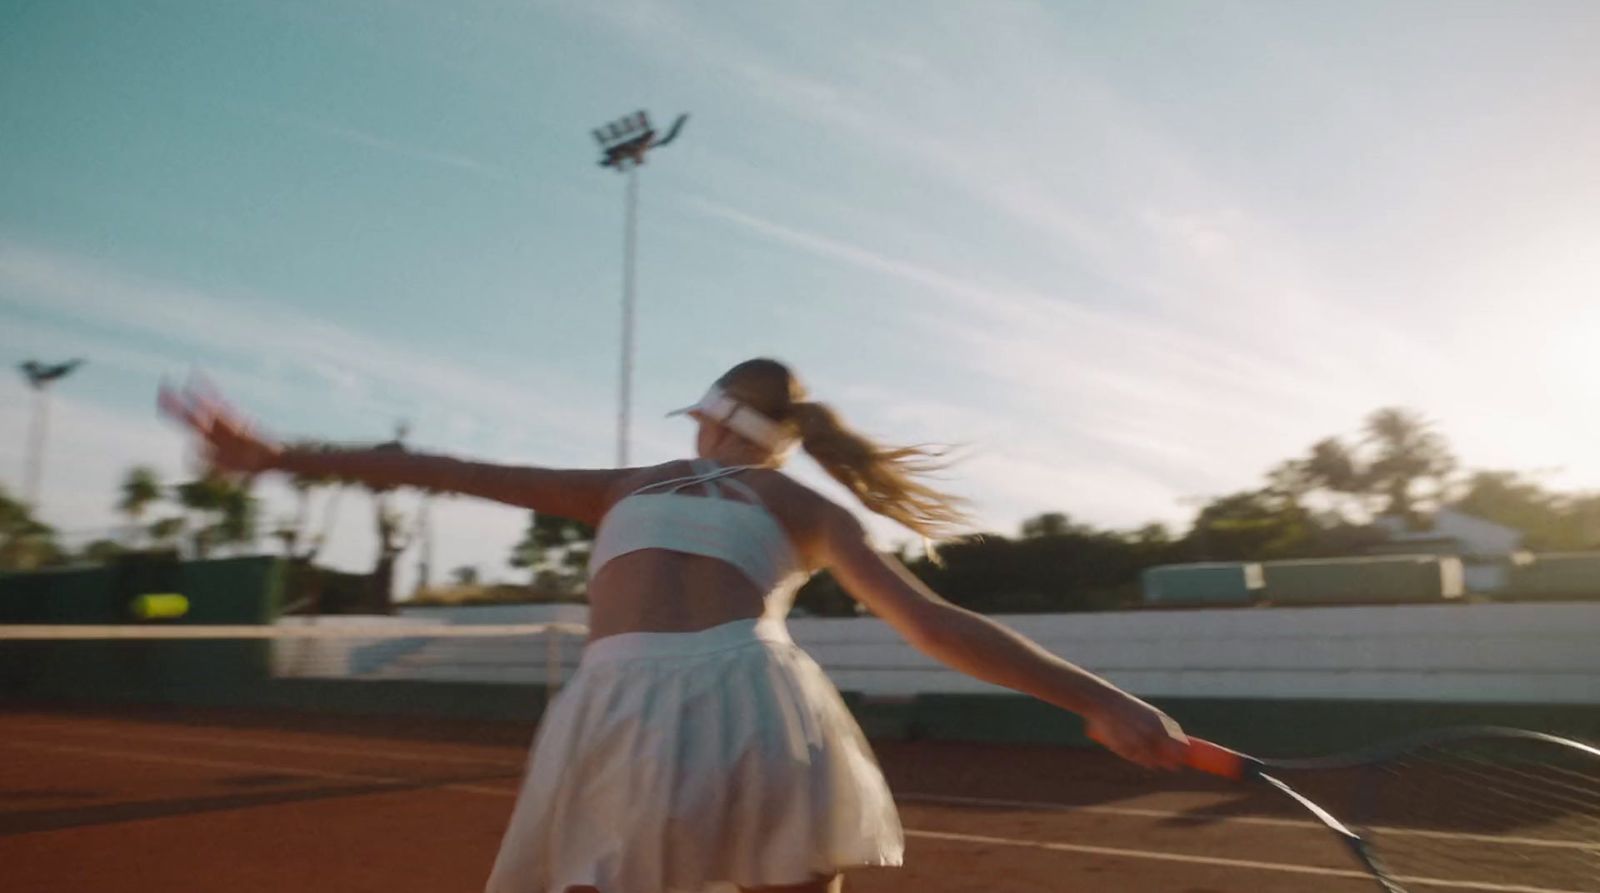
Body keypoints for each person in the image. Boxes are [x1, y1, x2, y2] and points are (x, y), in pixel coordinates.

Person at [159, 358, 1189, 893]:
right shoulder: (809, 508)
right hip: (761, 701)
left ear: (703, 420)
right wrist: (1097, 696)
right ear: (787, 444)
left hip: (626, 707)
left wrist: (278, 454)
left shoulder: (627, 483)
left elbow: (439, 469)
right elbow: (932, 623)